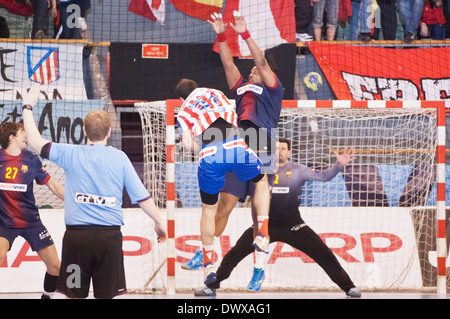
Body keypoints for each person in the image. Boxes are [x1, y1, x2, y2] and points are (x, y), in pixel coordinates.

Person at [21, 84, 167, 299]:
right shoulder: (120, 158)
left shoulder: (70, 153)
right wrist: (159, 221)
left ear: (84, 131)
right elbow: (142, 197)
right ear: (109, 131)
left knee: (73, 294)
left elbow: (34, 141)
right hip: (109, 239)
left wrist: (27, 106)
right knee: (107, 296)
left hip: (76, 240)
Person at [194, 138, 362, 298]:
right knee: (234, 254)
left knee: (324, 254)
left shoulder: (299, 170)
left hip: (293, 225)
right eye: (276, 148)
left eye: (283, 149)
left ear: (289, 152)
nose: (279, 151)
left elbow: (324, 176)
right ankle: (211, 287)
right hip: (265, 226)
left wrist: (339, 165)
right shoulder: (258, 169)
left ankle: (349, 287)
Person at [181, 11, 284, 271]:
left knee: (256, 211)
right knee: (223, 206)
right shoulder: (240, 88)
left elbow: (260, 61)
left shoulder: (273, 88)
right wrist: (221, 34)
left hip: (261, 139)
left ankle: (259, 264)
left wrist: (244, 33)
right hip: (237, 143)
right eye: (250, 72)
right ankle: (205, 249)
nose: (252, 74)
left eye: (255, 72)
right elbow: (228, 64)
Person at [175, 78, 270, 286]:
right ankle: (262, 232)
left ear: (182, 98)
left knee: (209, 210)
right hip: (237, 146)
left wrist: (204, 149)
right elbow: (236, 115)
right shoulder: (216, 91)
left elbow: (189, 145)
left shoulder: (183, 111)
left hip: (210, 155)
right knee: (262, 182)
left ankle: (208, 265)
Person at [0, 121, 64, 299]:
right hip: (5, 222)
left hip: (31, 222)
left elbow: (51, 183)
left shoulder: (31, 159)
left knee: (55, 266)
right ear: (12, 138)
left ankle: (46, 297)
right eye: (22, 132)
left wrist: (72, 200)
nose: (26, 136)